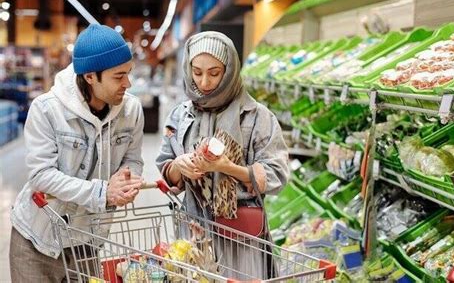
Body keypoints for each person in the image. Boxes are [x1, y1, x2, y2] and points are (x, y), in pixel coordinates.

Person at [10, 24, 145, 282]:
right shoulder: (47, 109)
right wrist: (104, 192)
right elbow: (41, 175)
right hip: (37, 241)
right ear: (90, 77)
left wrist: (128, 179)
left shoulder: (132, 111)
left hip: (88, 240)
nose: (127, 83)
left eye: (129, 73)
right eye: (118, 76)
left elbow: (133, 159)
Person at [156, 31, 289, 279]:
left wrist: (228, 167)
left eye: (214, 73)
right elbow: (167, 168)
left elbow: (277, 173)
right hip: (193, 230)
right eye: (197, 72)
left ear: (229, 71)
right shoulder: (180, 116)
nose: (204, 82)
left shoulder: (257, 117)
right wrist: (180, 165)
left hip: (240, 237)